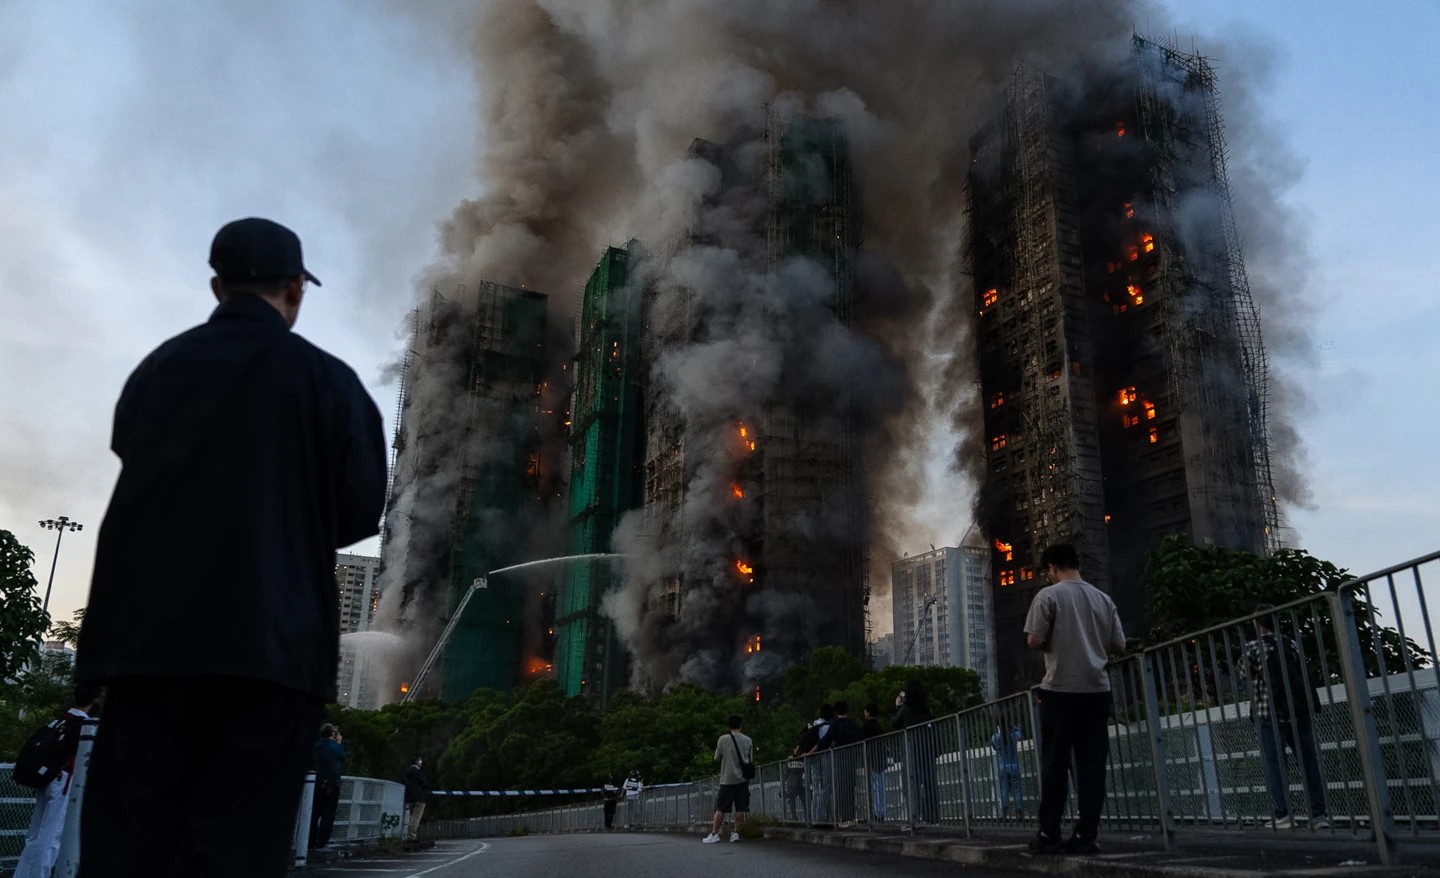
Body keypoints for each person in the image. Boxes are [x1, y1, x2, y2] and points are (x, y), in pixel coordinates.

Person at [75, 217, 388, 878]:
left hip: (145, 650)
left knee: (128, 846)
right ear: (296, 290)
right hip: (271, 653)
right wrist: (282, 531)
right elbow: (361, 507)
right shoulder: (330, 383)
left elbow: (134, 459)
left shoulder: (158, 371)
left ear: (218, 285)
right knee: (240, 847)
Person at [1023, 543, 1126, 855]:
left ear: (1053, 567)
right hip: (1097, 690)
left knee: (1055, 764)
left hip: (1060, 690)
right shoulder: (1103, 599)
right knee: (1092, 766)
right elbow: (1119, 645)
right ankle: (1086, 835)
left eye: (1048, 571)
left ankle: (1049, 832)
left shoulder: (1049, 596)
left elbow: (1034, 639)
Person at [1243, 605, 1330, 830]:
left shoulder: (1252, 647)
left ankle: (1283, 815)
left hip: (1268, 711)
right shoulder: (1291, 644)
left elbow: (1244, 674)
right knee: (1308, 760)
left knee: (1275, 763)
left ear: (1257, 623)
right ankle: (1318, 815)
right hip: (1297, 710)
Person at [13, 686, 102, 878]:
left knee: (35, 834)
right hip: (63, 784)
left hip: (45, 779)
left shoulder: (59, 721)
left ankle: (23, 874)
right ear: (95, 702)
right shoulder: (83, 727)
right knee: (51, 837)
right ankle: (40, 874)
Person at [892, 681, 938, 824]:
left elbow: (895, 723)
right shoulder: (927, 709)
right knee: (930, 785)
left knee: (911, 785)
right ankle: (932, 817)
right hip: (928, 750)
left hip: (912, 750)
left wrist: (896, 707)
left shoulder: (905, 709)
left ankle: (914, 817)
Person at [703, 715, 753, 844]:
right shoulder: (748, 740)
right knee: (741, 808)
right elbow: (750, 760)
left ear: (729, 726)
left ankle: (714, 834)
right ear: (740, 725)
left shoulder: (723, 739)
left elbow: (717, 758)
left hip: (727, 779)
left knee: (721, 808)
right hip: (742, 779)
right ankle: (736, 833)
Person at [829, 701, 865, 825]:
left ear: (836, 711)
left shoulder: (835, 724)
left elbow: (827, 739)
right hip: (852, 758)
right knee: (850, 787)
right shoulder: (853, 724)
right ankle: (850, 815)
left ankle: (842, 817)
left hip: (840, 759)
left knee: (840, 788)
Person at [311, 724, 346, 849]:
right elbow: (343, 757)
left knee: (314, 813)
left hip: (315, 782)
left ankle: (310, 842)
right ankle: (322, 842)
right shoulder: (335, 747)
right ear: (333, 735)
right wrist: (339, 742)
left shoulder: (316, 745)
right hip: (331, 783)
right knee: (328, 814)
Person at [991, 723, 1023, 820]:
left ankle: (1004, 815)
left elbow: (994, 747)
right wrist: (1013, 726)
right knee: (1017, 790)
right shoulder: (1014, 735)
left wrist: (998, 731)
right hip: (1014, 765)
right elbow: (1020, 733)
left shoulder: (995, 737)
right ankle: (1019, 815)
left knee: (1004, 790)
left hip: (1002, 767)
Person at [862, 704, 887, 823]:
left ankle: (877, 812)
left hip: (872, 757)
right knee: (880, 785)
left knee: (874, 786)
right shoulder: (878, 726)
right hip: (880, 757)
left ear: (867, 713)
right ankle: (880, 812)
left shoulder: (866, 726)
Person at [403, 756, 430, 840]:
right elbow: (424, 784)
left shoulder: (406, 772)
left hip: (408, 797)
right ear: (416, 761)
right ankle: (411, 835)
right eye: (420, 761)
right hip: (419, 797)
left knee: (409, 816)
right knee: (416, 817)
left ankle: (405, 833)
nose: (421, 762)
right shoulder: (418, 772)